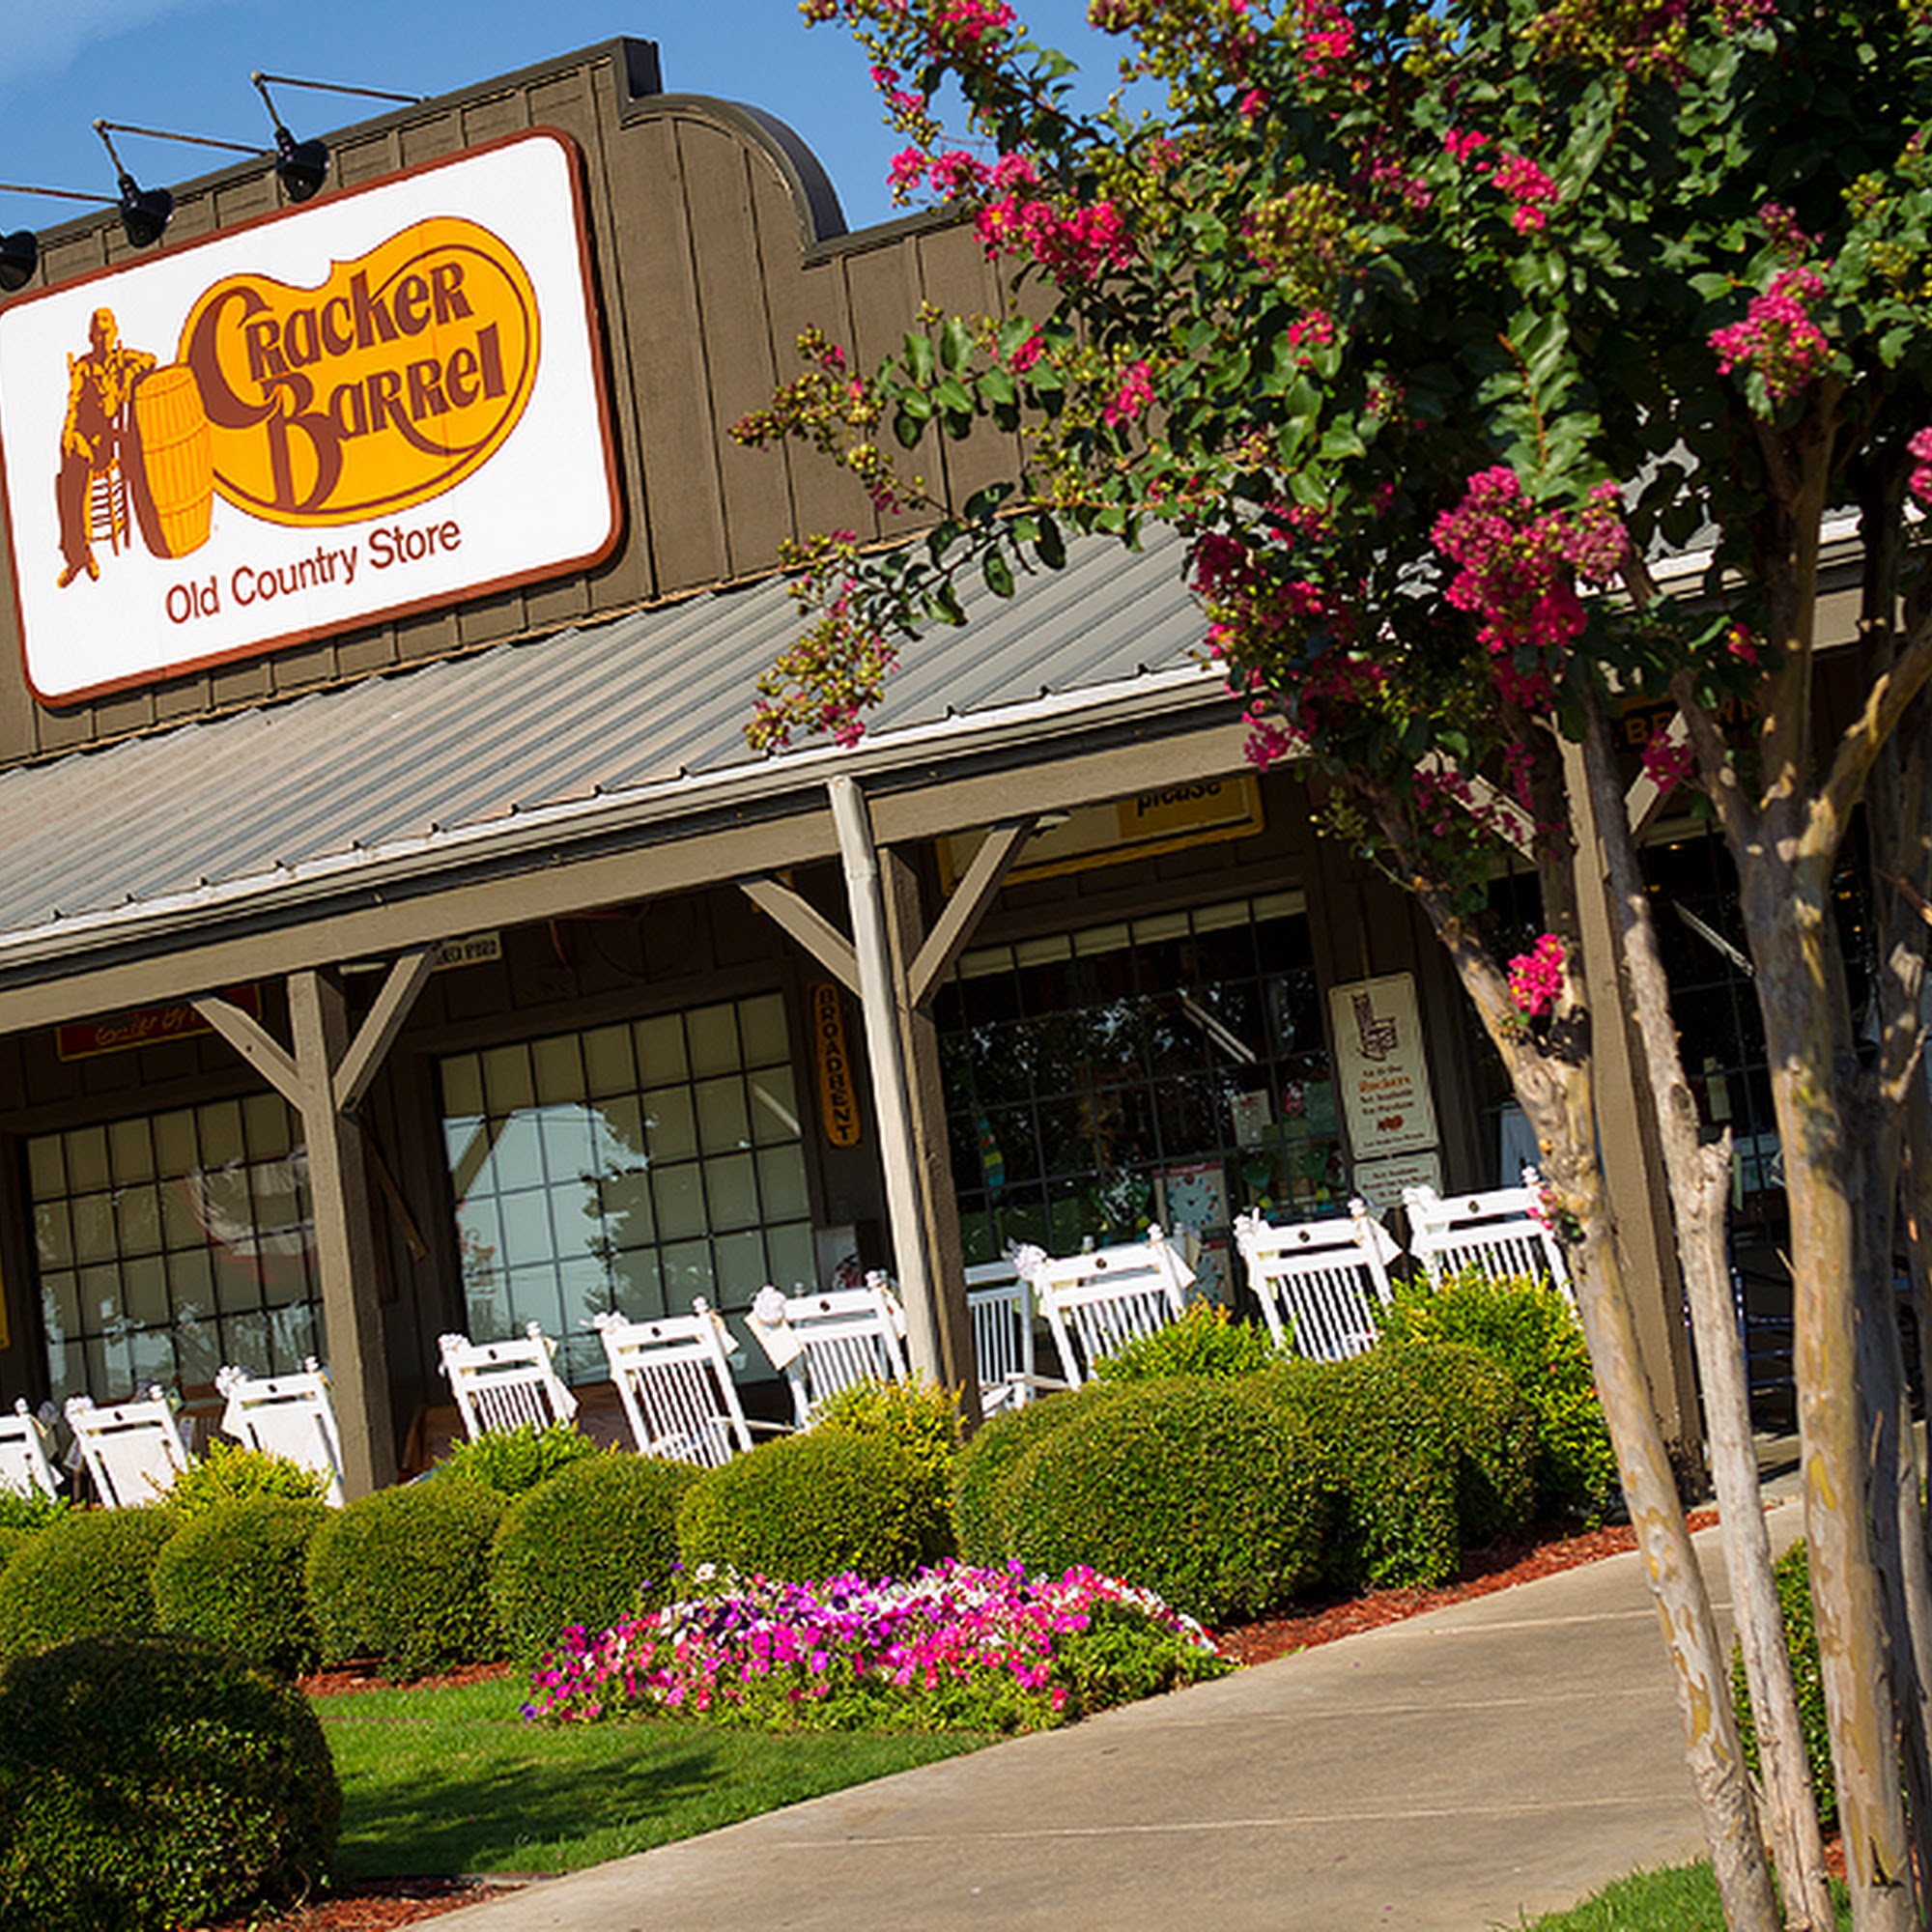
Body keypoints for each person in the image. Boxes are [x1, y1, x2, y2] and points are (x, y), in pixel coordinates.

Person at [54, 306, 156, 588]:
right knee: (67, 477)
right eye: (98, 333)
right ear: (91, 336)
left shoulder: (123, 359)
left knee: (82, 471)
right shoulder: (84, 367)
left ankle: (84, 551)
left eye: (107, 332)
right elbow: (73, 403)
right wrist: (69, 433)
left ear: (115, 332)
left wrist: (128, 379)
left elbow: (150, 361)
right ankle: (78, 553)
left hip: (108, 437)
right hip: (85, 435)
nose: (103, 338)